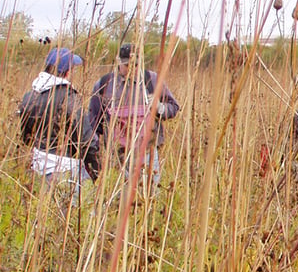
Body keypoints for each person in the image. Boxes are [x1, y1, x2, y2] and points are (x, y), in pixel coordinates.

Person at [88, 43, 180, 190]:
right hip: (116, 156)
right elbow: (93, 122)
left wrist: (159, 108)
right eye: (126, 65)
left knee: (149, 195)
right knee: (118, 198)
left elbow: (174, 107)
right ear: (118, 61)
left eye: (136, 65)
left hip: (148, 153)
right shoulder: (104, 84)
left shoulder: (152, 80)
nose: (131, 69)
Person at [18, 47, 101, 201]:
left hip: (37, 169)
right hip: (65, 170)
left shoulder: (30, 96)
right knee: (87, 211)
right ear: (68, 71)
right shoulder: (69, 98)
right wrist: (96, 170)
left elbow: (26, 138)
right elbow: (86, 140)